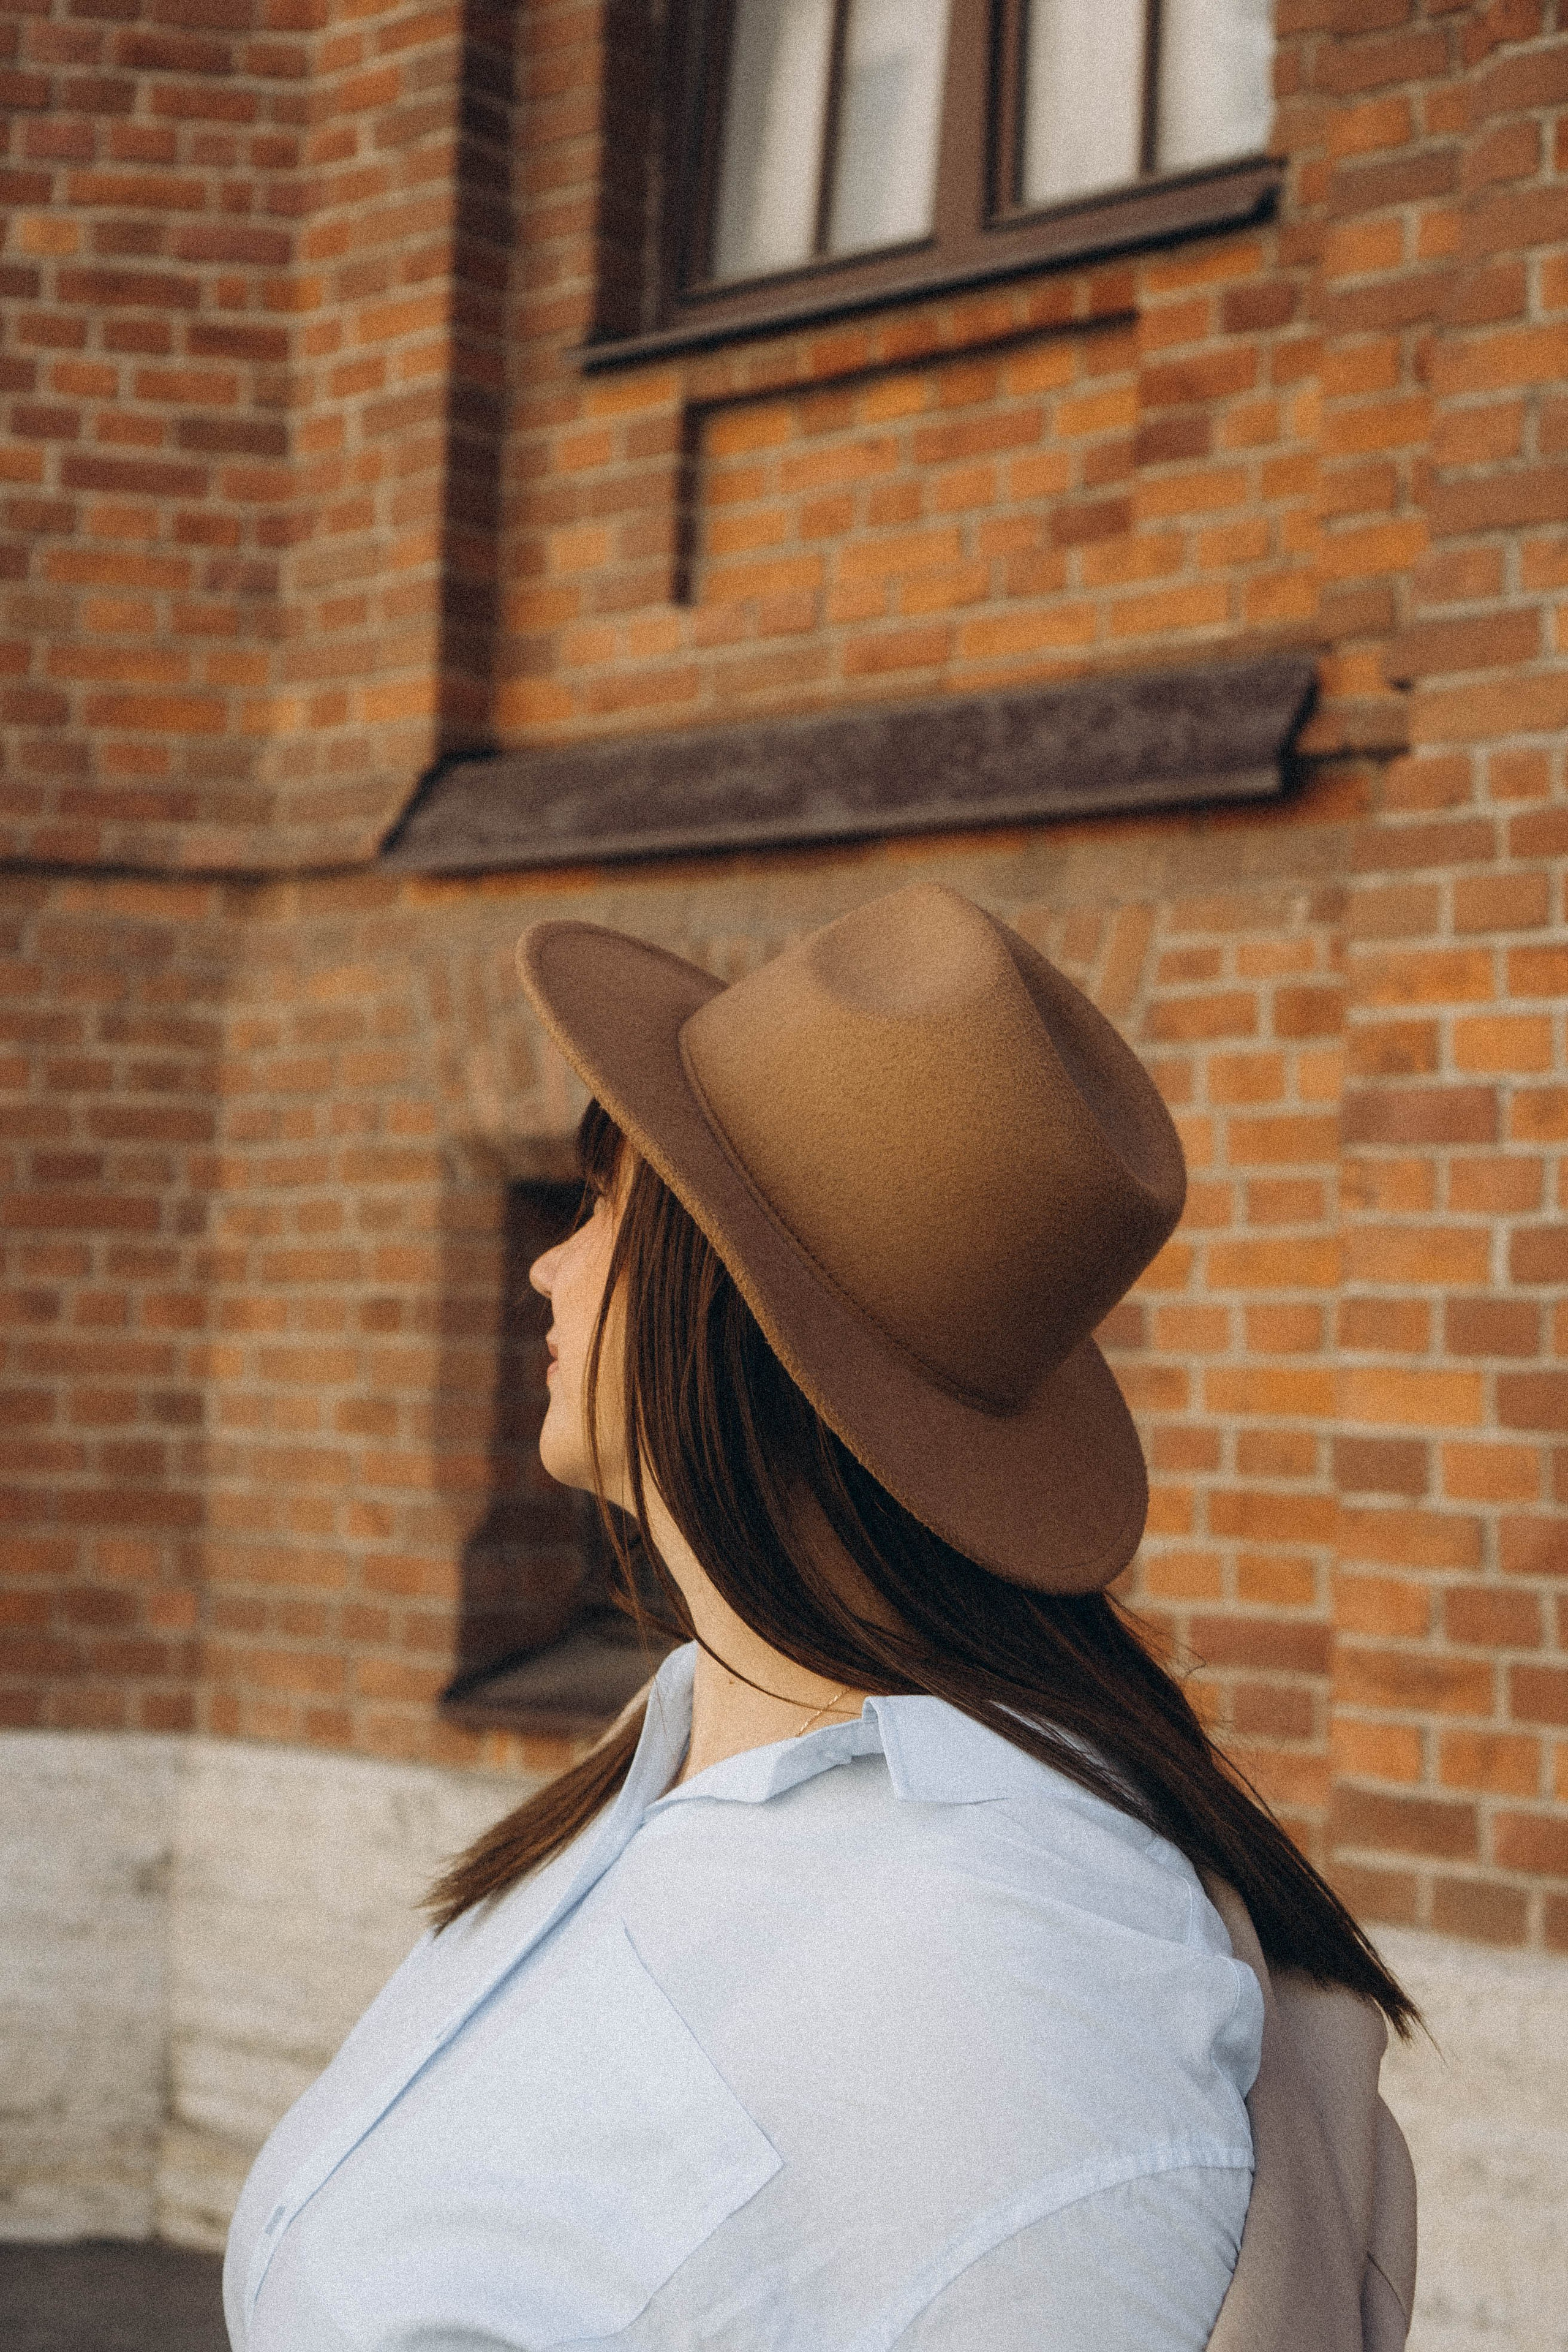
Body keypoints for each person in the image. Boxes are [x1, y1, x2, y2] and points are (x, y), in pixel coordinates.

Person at [224, 881, 1417, 2352]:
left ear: (715, 1295)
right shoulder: (664, 1756)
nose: (545, 1257)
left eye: (602, 1203)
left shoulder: (1004, 2006)